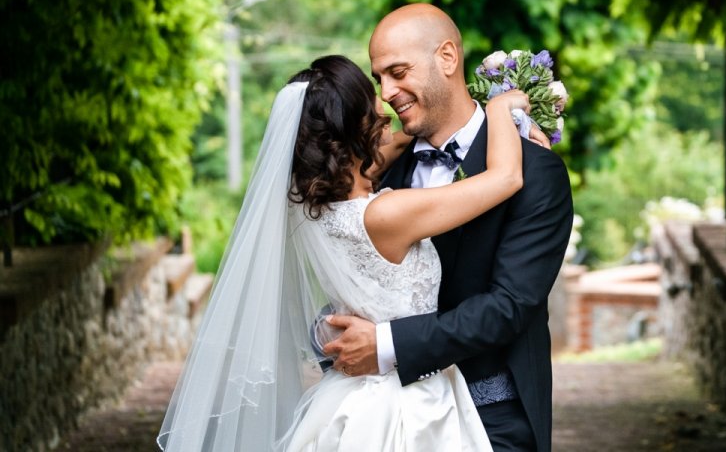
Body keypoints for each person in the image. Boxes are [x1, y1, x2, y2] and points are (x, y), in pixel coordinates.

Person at [157, 54, 532, 450]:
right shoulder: (387, 213)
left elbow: (394, 143)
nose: (385, 102)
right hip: (405, 406)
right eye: (374, 97)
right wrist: (498, 107)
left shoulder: (307, 206)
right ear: (355, 125)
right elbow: (506, 177)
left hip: (349, 399)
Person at [323, 3, 574, 452]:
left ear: (447, 58)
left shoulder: (536, 171)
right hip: (387, 423)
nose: (386, 93)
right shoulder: (378, 178)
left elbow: (510, 306)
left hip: (492, 420)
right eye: (379, 78)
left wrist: (384, 344)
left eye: (398, 72)